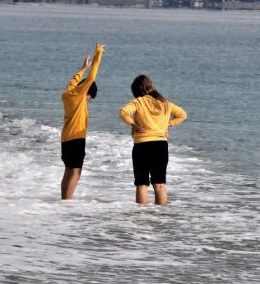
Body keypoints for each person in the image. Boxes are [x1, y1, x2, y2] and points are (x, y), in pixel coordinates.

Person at [119, 75, 187, 205]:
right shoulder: (166, 103)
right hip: (160, 145)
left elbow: (123, 112)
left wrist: (134, 125)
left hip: (142, 145)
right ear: (151, 86)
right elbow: (183, 115)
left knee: (141, 184)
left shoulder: (139, 102)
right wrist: (167, 124)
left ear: (137, 91)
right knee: (160, 184)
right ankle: (160, 218)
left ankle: (141, 217)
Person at [60, 43, 105, 200]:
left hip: (65, 138)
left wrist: (82, 68)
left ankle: (64, 200)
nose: (88, 100)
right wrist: (98, 53)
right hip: (76, 139)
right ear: (87, 93)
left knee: (68, 170)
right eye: (90, 98)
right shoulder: (80, 96)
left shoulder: (68, 94)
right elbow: (91, 78)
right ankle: (68, 200)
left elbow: (73, 82)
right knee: (76, 172)